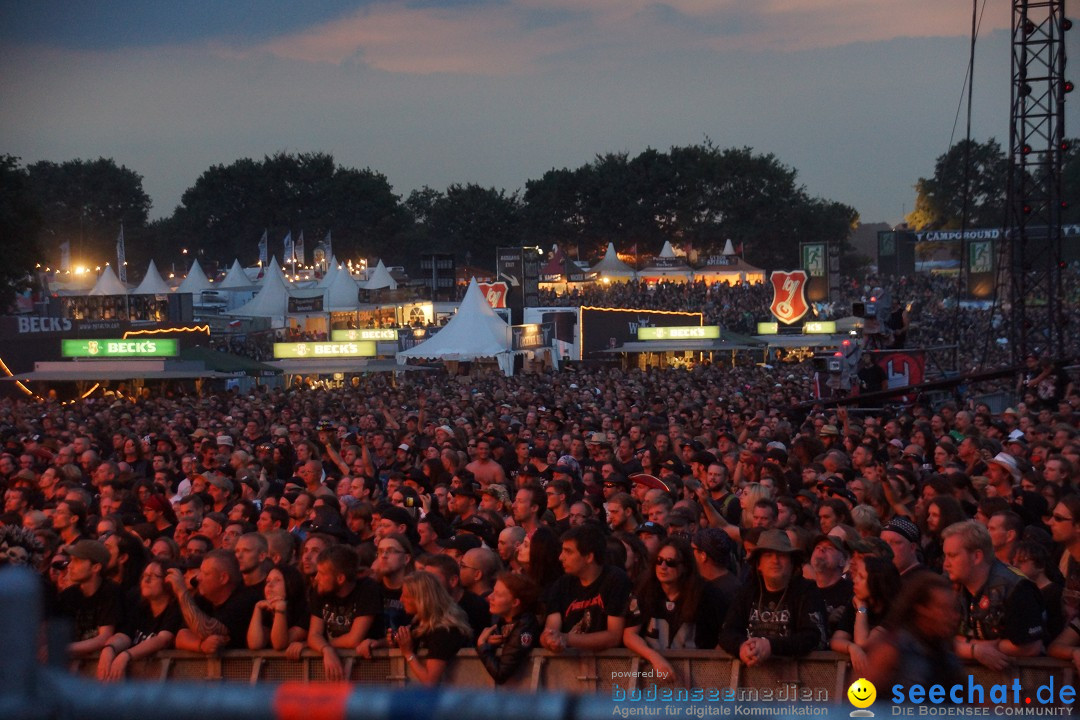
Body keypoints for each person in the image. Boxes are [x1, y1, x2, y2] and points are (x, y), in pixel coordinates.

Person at [941, 520, 1044, 669]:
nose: (946, 564)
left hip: (1020, 684)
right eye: (945, 556)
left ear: (976, 557)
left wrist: (967, 645)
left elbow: (1030, 646)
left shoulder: (1016, 588)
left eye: (952, 556)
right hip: (972, 683)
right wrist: (974, 650)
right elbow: (938, 637)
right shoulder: (949, 584)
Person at [719, 529, 826, 665]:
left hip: (796, 679)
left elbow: (814, 637)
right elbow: (727, 632)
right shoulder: (747, 591)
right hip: (750, 678)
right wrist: (741, 647)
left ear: (792, 563)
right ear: (759, 565)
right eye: (768, 555)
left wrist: (770, 646)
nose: (775, 561)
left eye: (781, 555)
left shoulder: (807, 591)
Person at [623, 537, 722, 684]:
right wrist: (655, 658)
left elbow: (722, 638)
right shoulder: (644, 589)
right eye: (659, 560)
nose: (663, 566)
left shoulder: (706, 594)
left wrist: (709, 672)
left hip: (696, 678)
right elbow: (630, 635)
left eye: (671, 562)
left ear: (685, 567)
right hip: (653, 674)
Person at [541, 524, 632, 653]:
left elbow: (613, 636)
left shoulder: (615, 580)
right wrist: (549, 640)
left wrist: (566, 639)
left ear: (589, 557)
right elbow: (550, 629)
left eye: (568, 551)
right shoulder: (562, 584)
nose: (561, 557)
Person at [865, 572, 963, 691]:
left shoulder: (947, 655)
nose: (954, 616)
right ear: (922, 610)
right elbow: (854, 701)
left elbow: (974, 700)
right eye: (944, 609)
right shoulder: (891, 651)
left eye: (954, 609)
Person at [97, 559, 183, 681]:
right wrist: (109, 648)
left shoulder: (175, 609)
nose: (146, 580)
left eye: (154, 576)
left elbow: (163, 639)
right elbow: (124, 635)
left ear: (168, 581)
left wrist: (126, 655)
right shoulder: (138, 607)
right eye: (145, 576)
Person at [307, 544, 381, 680]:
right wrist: (326, 650)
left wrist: (321, 644)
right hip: (331, 671)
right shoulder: (319, 590)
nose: (316, 578)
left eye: (322, 573)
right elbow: (314, 634)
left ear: (340, 578)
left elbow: (354, 639)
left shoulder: (368, 589)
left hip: (369, 672)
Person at [166, 549, 260, 653]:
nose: (197, 578)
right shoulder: (203, 597)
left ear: (223, 578)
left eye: (205, 573)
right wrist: (201, 645)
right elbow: (181, 636)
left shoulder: (245, 600)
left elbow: (208, 631)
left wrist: (182, 592)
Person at [392, 571, 471, 686]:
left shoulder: (444, 630)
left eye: (406, 596)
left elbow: (430, 682)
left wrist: (408, 653)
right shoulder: (420, 623)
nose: (401, 600)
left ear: (421, 599)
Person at [829, 554, 900, 676]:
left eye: (861, 577)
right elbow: (836, 640)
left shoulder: (894, 610)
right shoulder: (856, 600)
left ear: (876, 583)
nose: (854, 580)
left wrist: (861, 609)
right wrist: (851, 648)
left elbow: (863, 643)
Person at [57, 539, 123, 659]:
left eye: (77, 561)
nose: (70, 566)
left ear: (96, 567)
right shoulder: (68, 595)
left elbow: (104, 637)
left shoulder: (110, 592)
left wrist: (63, 648)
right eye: (71, 560)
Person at [477, 572, 542, 684]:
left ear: (515, 602)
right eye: (493, 591)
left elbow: (501, 673)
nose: (489, 597)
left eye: (497, 594)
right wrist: (491, 645)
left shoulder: (525, 626)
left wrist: (482, 645)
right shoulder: (499, 619)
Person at [246, 564, 309, 656]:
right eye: (267, 581)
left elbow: (279, 644)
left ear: (290, 583)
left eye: (277, 580)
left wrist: (280, 610)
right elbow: (255, 644)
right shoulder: (266, 610)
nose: (270, 585)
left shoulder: (305, 610)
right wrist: (257, 608)